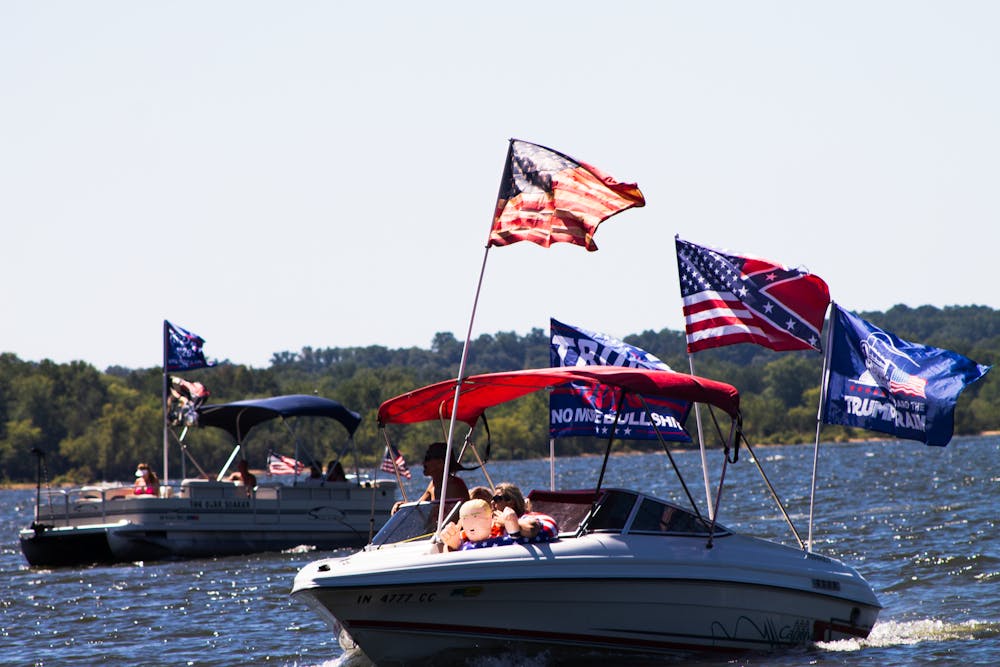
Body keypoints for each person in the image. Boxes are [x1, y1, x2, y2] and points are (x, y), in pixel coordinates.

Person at [392, 442, 470, 514]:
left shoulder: (454, 486)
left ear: (440, 463)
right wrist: (403, 506)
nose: (423, 463)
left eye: (427, 458)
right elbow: (417, 507)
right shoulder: (433, 485)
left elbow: (454, 519)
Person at [490, 482, 558, 542]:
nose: (492, 502)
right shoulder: (490, 524)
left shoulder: (529, 517)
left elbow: (531, 529)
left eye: (496, 499)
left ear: (511, 502)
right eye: (492, 499)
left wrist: (507, 521)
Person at [440, 499, 517, 551]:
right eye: (465, 518)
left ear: (489, 518)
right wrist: (452, 545)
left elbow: (517, 539)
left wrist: (510, 522)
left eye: (475, 516)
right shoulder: (461, 539)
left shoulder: (502, 533)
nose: (470, 523)